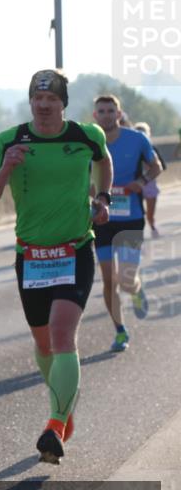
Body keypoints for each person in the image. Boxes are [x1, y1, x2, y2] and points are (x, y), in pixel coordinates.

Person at [0, 69, 111, 465]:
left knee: (62, 334)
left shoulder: (87, 135)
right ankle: (63, 408)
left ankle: (54, 424)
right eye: (37, 98)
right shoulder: (9, 140)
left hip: (75, 250)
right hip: (32, 257)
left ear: (63, 103)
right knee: (43, 345)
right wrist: (6, 168)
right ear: (31, 102)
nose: (44, 105)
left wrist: (103, 197)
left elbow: (104, 162)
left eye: (51, 98)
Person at [91, 95, 162, 351]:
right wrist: (90, 191)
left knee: (126, 279)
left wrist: (141, 183)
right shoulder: (88, 142)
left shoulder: (137, 138)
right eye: (102, 111)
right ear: (94, 116)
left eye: (111, 110)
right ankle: (120, 331)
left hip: (131, 218)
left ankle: (136, 289)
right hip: (102, 218)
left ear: (119, 115)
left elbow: (156, 166)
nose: (106, 115)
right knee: (109, 280)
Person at [133, 122, 166, 238]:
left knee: (150, 213)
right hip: (134, 184)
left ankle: (152, 226)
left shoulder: (152, 149)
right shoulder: (131, 149)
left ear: (148, 135)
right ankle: (138, 233)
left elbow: (162, 166)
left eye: (144, 133)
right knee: (137, 212)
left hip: (149, 184)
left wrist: (150, 167)